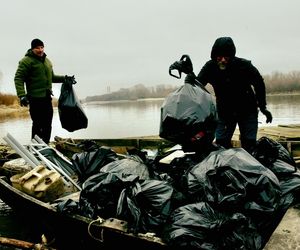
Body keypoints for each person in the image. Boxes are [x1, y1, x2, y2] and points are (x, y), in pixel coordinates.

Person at [195, 36, 272, 152]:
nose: (223, 60)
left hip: (247, 110)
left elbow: (259, 83)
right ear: (215, 56)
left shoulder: (244, 66)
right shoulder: (210, 67)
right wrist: (189, 75)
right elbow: (197, 85)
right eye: (219, 57)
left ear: (231, 56)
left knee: (249, 143)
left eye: (226, 57)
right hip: (225, 112)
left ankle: (248, 166)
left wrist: (263, 107)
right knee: (221, 143)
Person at [14, 38, 75, 144]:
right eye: (37, 48)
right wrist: (22, 95)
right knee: (37, 124)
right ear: (32, 49)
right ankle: (35, 148)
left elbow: (52, 77)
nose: (40, 50)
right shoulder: (26, 61)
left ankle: (45, 146)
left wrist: (65, 78)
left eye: (42, 47)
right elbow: (18, 78)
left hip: (47, 98)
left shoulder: (47, 61)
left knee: (47, 124)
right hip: (34, 98)